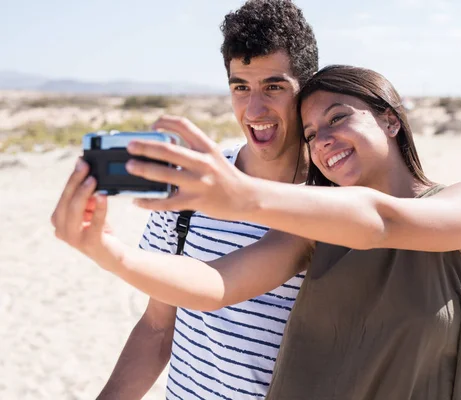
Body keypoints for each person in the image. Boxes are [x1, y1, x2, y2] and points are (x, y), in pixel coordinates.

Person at [50, 63, 461, 399]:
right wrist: (107, 250)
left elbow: (383, 221)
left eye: (339, 117)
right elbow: (212, 285)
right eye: (311, 132)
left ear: (390, 118)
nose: (324, 140)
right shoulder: (319, 228)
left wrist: (241, 195)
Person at [69, 1, 317, 399]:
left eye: (274, 86)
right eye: (241, 87)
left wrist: (107, 251)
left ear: (306, 88)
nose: (254, 109)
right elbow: (156, 327)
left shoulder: (330, 204)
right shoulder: (192, 184)